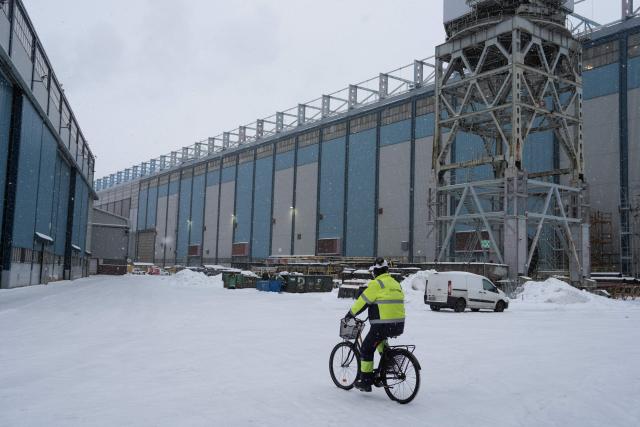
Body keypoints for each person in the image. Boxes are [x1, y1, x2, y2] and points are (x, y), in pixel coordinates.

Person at [344, 257, 405, 392]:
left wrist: (350, 314)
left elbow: (362, 302)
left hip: (382, 325)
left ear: (375, 272)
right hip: (399, 324)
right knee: (379, 341)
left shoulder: (376, 284)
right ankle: (389, 363)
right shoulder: (395, 283)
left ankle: (366, 381)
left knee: (366, 349)